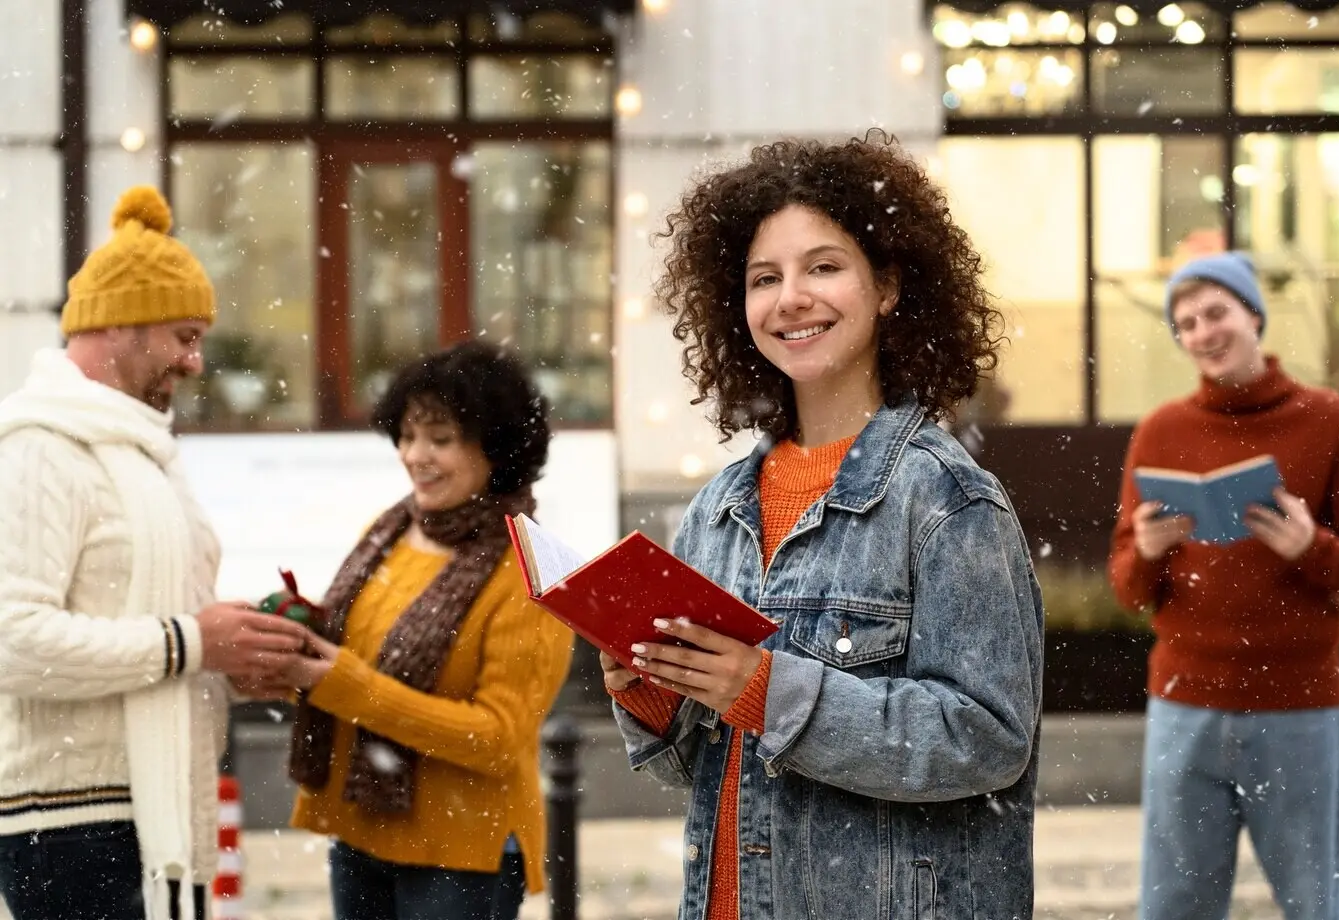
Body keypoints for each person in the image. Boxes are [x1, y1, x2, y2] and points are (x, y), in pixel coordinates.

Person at [601, 130, 1045, 920]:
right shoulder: (716, 510)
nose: (791, 298)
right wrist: (653, 698)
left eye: (825, 267)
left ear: (890, 289)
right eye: (764, 277)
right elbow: (710, 770)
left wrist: (767, 691)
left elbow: (987, 740)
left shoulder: (946, 501)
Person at [0, 186, 314, 920]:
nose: (197, 361)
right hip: (71, 822)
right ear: (121, 324)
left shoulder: (142, 456)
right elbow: (11, 640)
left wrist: (238, 660)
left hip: (148, 811)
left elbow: (163, 643)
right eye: (183, 335)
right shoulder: (41, 450)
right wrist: (193, 642)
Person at [1108, 251, 1339, 920]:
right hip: (1184, 707)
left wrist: (1312, 549)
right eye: (1186, 322)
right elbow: (1127, 589)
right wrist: (1145, 552)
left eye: (1216, 312)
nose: (1203, 331)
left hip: (1299, 709)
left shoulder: (1332, 421)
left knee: (1316, 903)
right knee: (1173, 907)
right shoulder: (1160, 432)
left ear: (1253, 314)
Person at [283, 342, 574, 920]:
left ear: (497, 451)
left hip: (462, 853)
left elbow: (498, 737)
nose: (416, 456)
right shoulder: (388, 531)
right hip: (363, 827)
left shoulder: (529, 570)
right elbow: (359, 652)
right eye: (408, 435)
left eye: (441, 440)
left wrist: (343, 683)